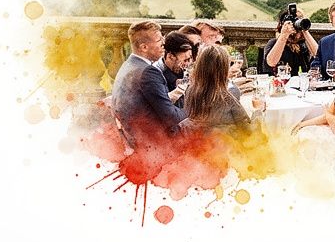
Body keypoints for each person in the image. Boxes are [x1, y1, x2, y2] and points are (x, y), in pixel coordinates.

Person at [111, 21, 189, 149]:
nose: (163, 43)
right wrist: (195, 110)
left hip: (134, 139)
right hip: (155, 145)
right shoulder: (148, 72)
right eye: (159, 40)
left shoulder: (128, 65)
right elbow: (171, 118)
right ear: (144, 47)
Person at [181, 44, 263, 135]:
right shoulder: (227, 99)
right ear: (225, 69)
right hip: (225, 146)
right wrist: (258, 111)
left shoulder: (190, 92)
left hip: (195, 144)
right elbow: (250, 133)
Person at [263, 7, 318, 75]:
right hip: (281, 83)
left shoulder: (304, 44)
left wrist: (305, 30)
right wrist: (284, 34)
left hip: (303, 83)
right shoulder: (274, 43)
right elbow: (271, 62)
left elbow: (318, 56)